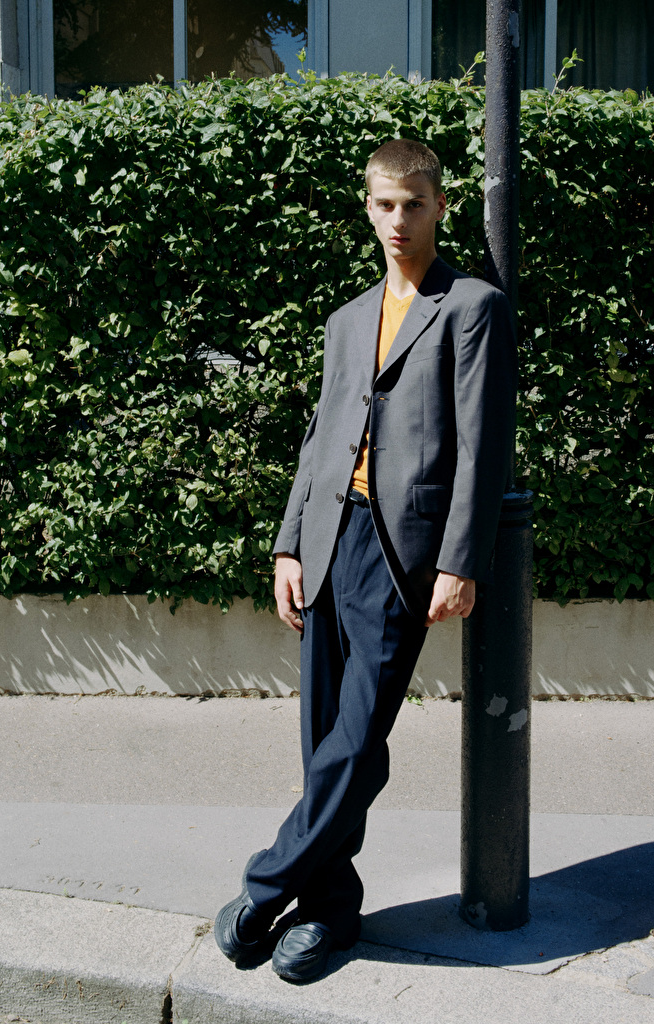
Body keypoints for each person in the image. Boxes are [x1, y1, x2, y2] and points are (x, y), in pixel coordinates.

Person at [214, 138, 517, 982]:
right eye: (384, 204)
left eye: (412, 204)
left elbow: (483, 446)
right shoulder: (346, 320)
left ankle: (266, 885)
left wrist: (460, 559)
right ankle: (329, 911)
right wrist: (287, 542)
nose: (397, 220)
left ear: (439, 207)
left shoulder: (472, 307)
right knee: (322, 740)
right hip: (325, 538)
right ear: (367, 207)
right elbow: (319, 437)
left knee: (355, 738)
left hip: (399, 552)